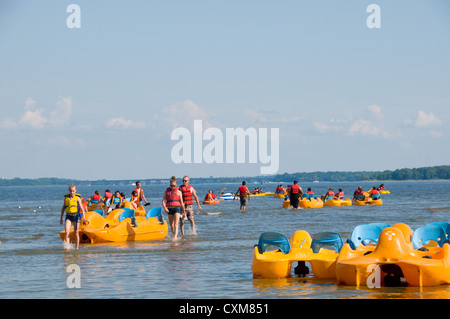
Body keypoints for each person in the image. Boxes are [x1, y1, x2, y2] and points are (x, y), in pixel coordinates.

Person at [60, 184, 87, 249]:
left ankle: (77, 248)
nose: (72, 192)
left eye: (73, 191)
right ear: (69, 191)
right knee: (66, 232)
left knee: (76, 233)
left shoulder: (77, 198)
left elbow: (81, 208)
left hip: (76, 216)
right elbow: (63, 208)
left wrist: (83, 217)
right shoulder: (66, 198)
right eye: (71, 191)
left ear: (75, 191)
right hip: (68, 216)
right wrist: (61, 217)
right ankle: (67, 247)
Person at [162, 176, 185, 240]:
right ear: (170, 185)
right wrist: (165, 208)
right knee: (171, 225)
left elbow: (182, 203)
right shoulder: (167, 191)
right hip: (169, 209)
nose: (172, 187)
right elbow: (163, 201)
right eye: (171, 185)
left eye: (174, 186)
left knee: (176, 224)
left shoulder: (179, 192)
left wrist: (184, 212)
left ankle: (175, 237)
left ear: (176, 185)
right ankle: (175, 235)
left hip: (177, 209)